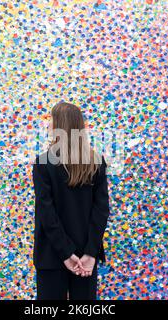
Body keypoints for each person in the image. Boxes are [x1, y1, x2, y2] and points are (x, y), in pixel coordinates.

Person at [32, 101, 111, 300]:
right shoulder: (96, 162)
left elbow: (47, 215)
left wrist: (67, 254)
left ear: (59, 126)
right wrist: (90, 253)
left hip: (52, 254)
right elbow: (101, 212)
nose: (48, 126)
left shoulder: (43, 163)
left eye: (51, 120)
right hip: (85, 258)